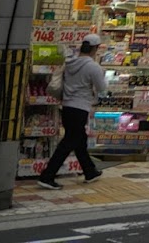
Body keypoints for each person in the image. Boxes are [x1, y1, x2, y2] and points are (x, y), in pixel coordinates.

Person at [38, 34, 107, 190]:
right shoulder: (93, 66)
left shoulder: (70, 62)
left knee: (79, 140)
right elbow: (102, 87)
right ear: (95, 49)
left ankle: (90, 171)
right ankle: (47, 176)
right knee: (69, 142)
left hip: (67, 106)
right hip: (80, 107)